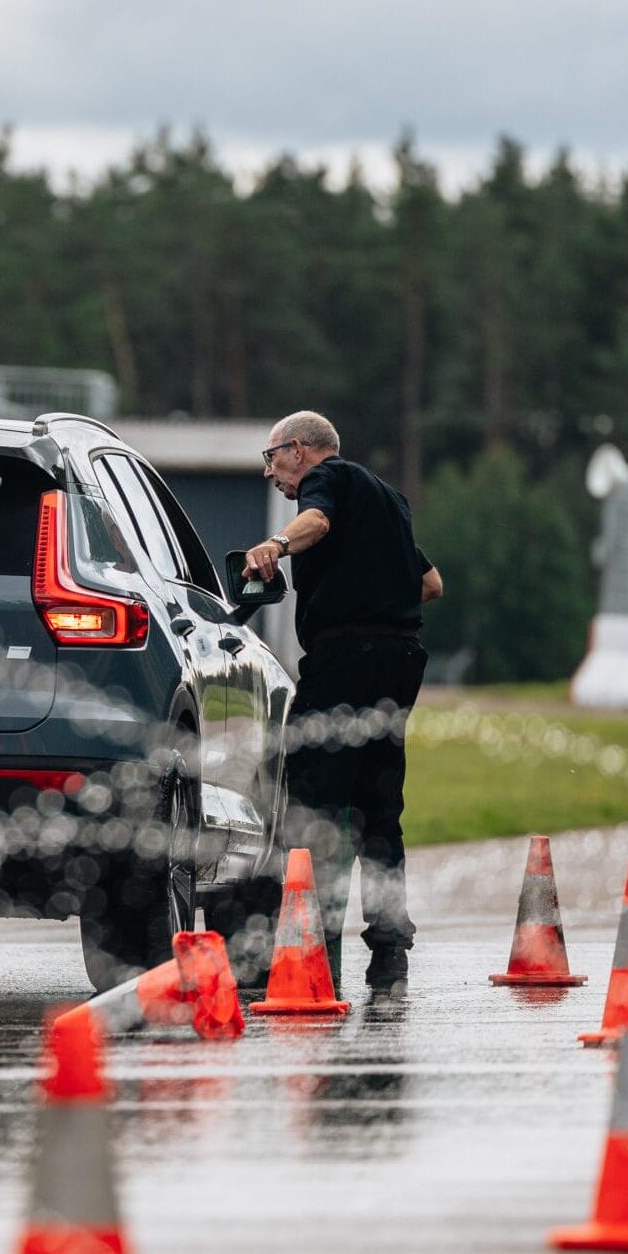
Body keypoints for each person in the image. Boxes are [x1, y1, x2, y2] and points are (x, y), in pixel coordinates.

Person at [243, 411, 443, 990]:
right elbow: (432, 584)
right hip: (401, 660)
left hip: (345, 659)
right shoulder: (389, 498)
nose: (270, 473)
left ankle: (310, 949)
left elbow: (318, 521)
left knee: (310, 798)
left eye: (272, 458)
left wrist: (276, 545)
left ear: (298, 450)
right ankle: (389, 949)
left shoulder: (325, 482)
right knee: (379, 807)